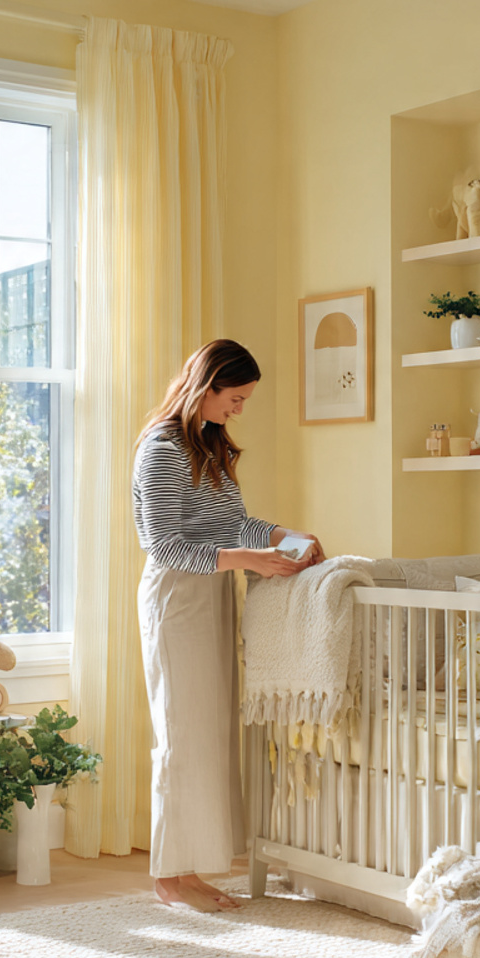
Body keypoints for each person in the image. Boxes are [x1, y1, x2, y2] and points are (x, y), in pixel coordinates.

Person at [132, 339, 324, 912]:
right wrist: (249, 559)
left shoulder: (211, 446)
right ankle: (168, 877)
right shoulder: (162, 447)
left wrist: (282, 536)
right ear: (207, 385)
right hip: (177, 599)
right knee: (180, 737)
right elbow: (163, 544)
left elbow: (233, 524)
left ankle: (189, 869)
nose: (239, 409)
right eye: (235, 398)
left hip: (213, 593)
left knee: (208, 734)